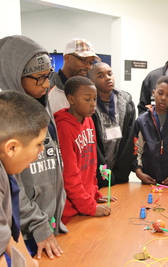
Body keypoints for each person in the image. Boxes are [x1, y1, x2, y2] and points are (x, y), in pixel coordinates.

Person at [0, 35, 67, 260]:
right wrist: (39, 225)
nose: (46, 84)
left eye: (49, 76)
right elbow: (13, 188)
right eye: (39, 78)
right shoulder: (4, 120)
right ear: (15, 76)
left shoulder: (41, 106)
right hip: (26, 235)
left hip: (49, 226)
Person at [0, 90, 49, 267]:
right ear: (12, 148)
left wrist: (28, 263)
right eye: (38, 144)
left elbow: (4, 229)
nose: (41, 150)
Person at [54, 76, 116, 224]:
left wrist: (94, 194)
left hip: (86, 203)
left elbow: (91, 162)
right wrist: (89, 206)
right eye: (87, 99)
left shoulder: (88, 120)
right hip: (72, 211)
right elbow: (69, 175)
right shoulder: (64, 127)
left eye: (95, 99)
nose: (93, 104)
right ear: (71, 99)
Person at [90, 62, 136, 187]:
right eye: (101, 76)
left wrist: (121, 172)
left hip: (119, 167)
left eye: (110, 74)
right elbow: (93, 145)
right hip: (97, 170)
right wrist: (104, 174)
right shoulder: (89, 105)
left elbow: (128, 140)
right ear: (92, 80)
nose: (108, 78)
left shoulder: (126, 102)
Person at [49, 38, 101, 113]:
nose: (88, 67)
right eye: (84, 60)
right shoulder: (49, 87)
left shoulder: (91, 87)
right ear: (67, 58)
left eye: (90, 63)